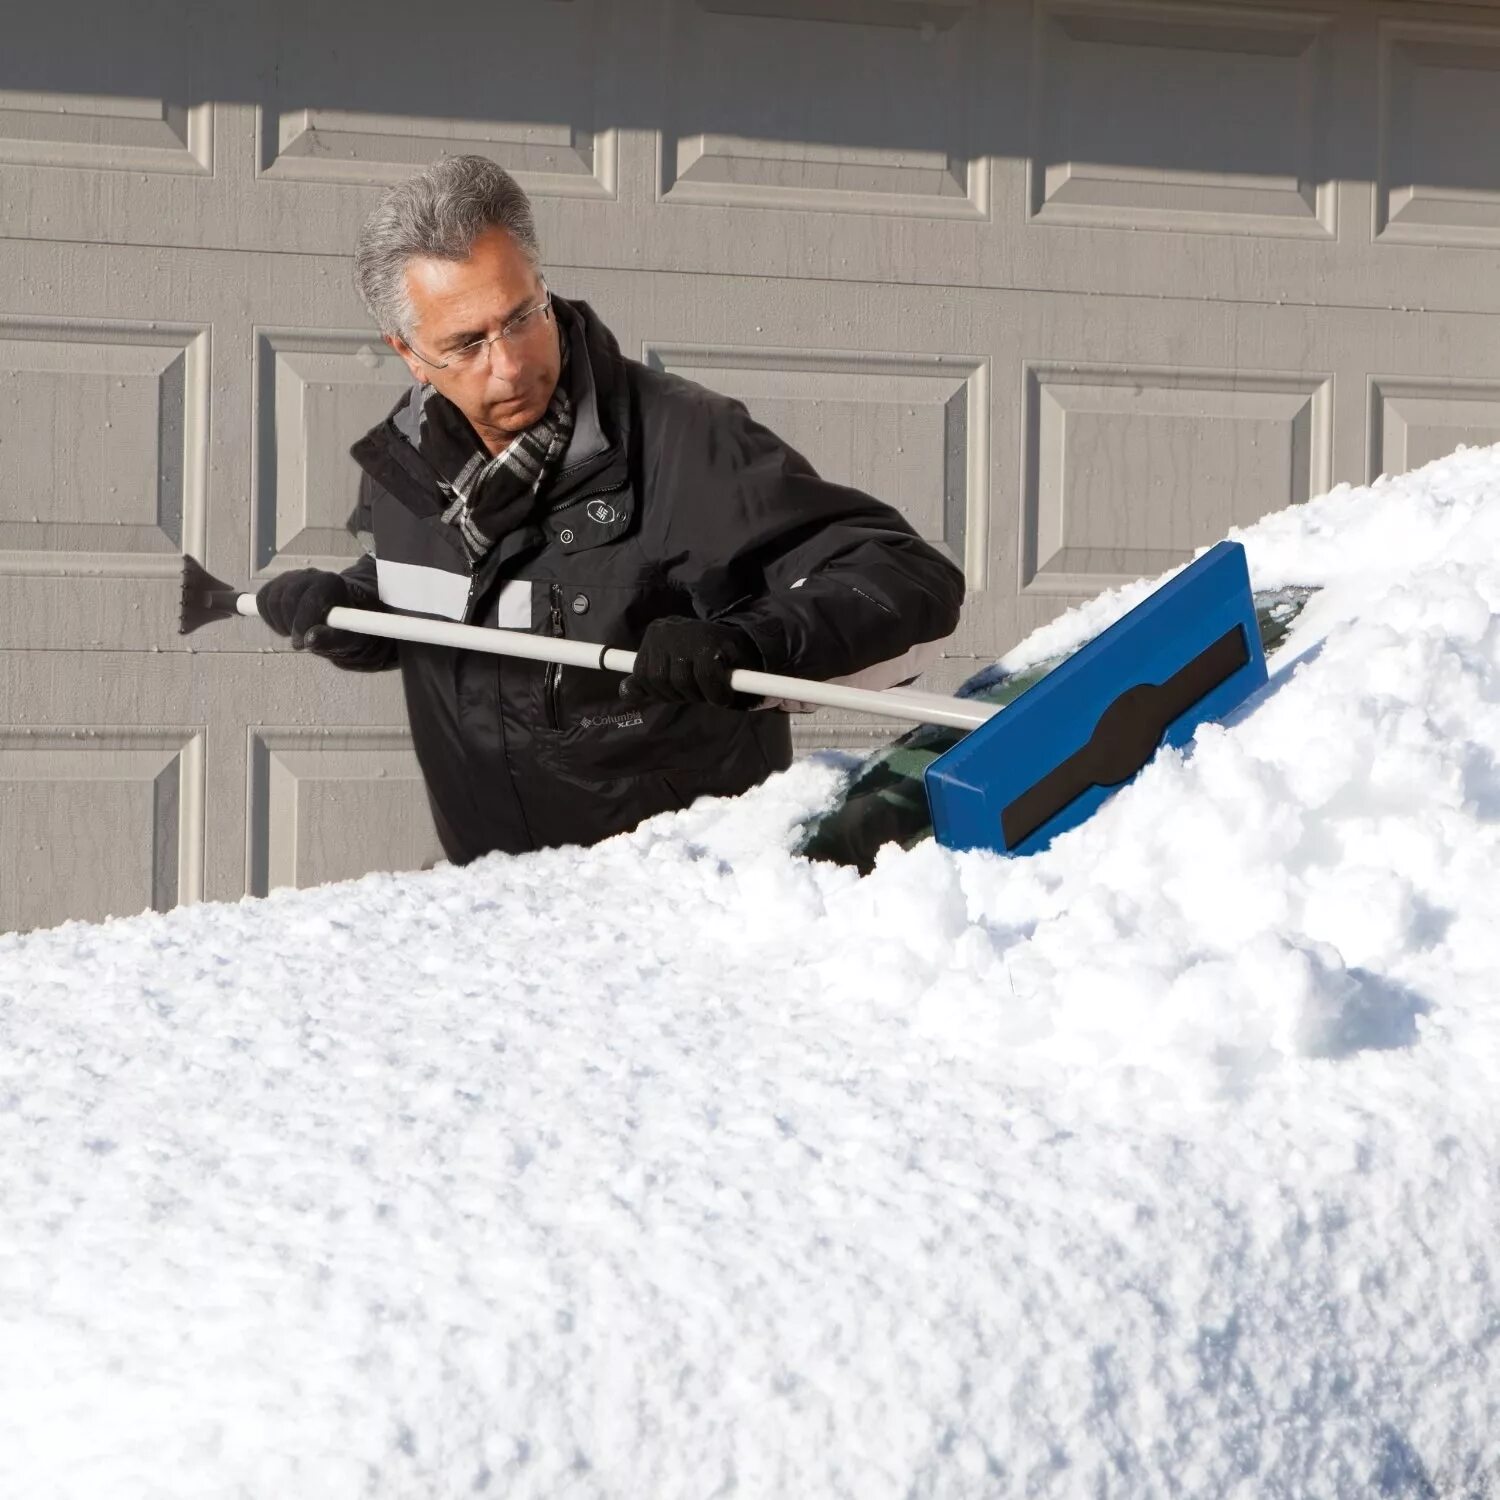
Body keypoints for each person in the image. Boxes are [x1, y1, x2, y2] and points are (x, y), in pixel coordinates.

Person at [256, 155, 965, 865]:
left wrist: (752, 639)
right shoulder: (410, 465)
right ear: (410, 355)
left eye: (521, 317)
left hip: (672, 900)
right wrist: (347, 608)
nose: (508, 364)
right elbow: (448, 614)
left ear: (542, 284)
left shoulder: (683, 443)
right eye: (467, 343)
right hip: (492, 895)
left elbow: (904, 578)